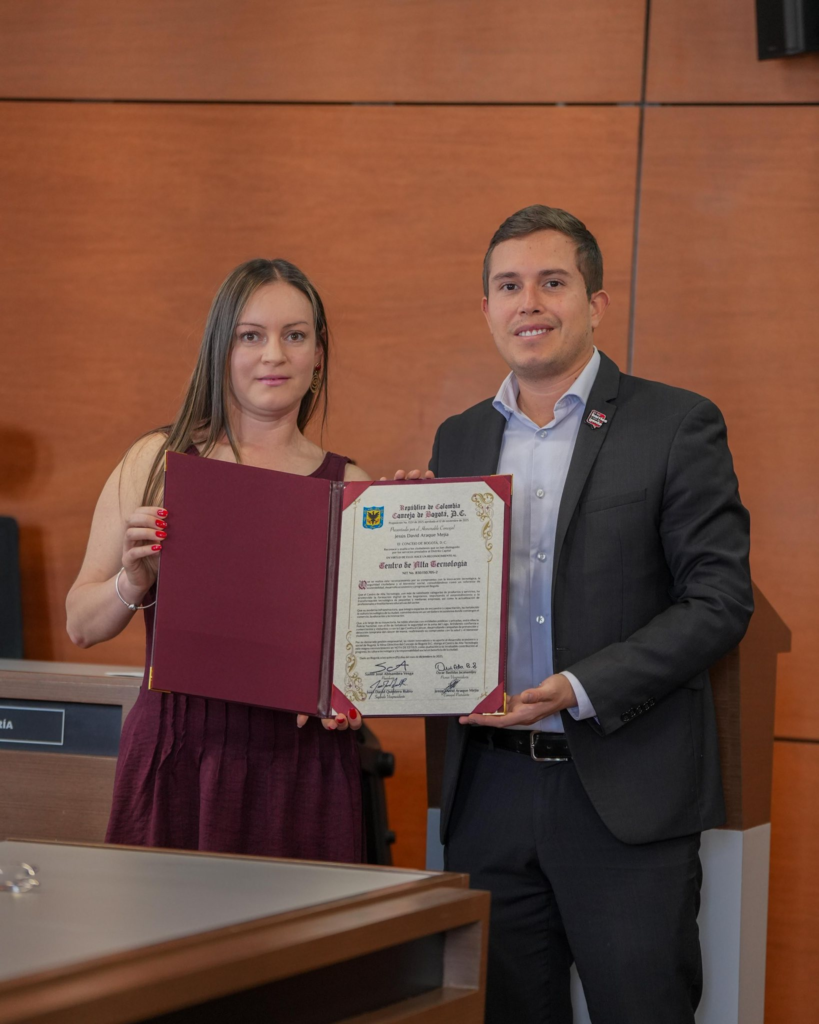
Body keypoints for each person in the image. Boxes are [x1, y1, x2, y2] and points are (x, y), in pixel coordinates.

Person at [420, 206, 753, 1024]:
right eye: (508, 286)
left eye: (551, 282)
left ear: (595, 302)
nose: (528, 302)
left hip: (623, 792)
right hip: (487, 792)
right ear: (486, 308)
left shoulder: (674, 422)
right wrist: (401, 534)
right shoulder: (458, 439)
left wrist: (578, 686)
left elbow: (718, 600)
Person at [66, 258, 368, 862]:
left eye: (295, 335)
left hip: (302, 764)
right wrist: (133, 580)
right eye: (250, 336)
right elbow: (81, 624)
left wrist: (353, 697)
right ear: (220, 351)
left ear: (318, 355)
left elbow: (362, 656)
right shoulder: (156, 460)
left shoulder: (352, 486)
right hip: (176, 751)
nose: (274, 355)